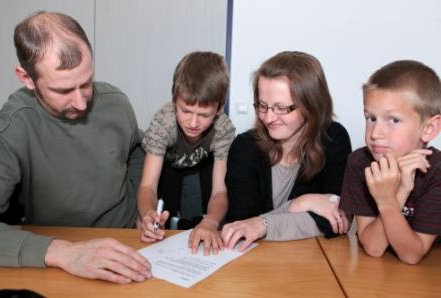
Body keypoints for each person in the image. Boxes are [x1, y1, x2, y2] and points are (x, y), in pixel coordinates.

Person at [0, 11, 152, 284]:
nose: (81, 103)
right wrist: (63, 252)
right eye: (64, 90)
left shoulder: (116, 102)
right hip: (60, 253)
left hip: (129, 243)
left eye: (87, 83)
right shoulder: (10, 130)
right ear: (27, 78)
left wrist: (141, 207)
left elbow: (136, 151)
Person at [221, 51, 352, 251]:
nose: (268, 118)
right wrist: (298, 204)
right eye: (262, 106)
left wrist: (262, 225)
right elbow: (242, 225)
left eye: (281, 108)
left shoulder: (333, 139)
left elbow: (336, 221)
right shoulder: (245, 147)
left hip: (308, 262)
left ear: (311, 105)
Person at [339, 60, 441, 264]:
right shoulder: (360, 163)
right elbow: (374, 248)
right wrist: (399, 192)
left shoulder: (436, 171)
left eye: (393, 120)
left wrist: (386, 200)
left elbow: (412, 255)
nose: (375, 133)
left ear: (428, 128)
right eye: (371, 118)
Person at [137, 51, 235, 255]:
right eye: (186, 111)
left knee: (216, 211)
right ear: (174, 100)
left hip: (203, 163)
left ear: (219, 108)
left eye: (204, 115)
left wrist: (211, 221)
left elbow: (220, 191)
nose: (193, 123)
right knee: (156, 210)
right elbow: (147, 185)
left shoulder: (223, 129)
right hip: (168, 164)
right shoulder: (163, 123)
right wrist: (148, 214)